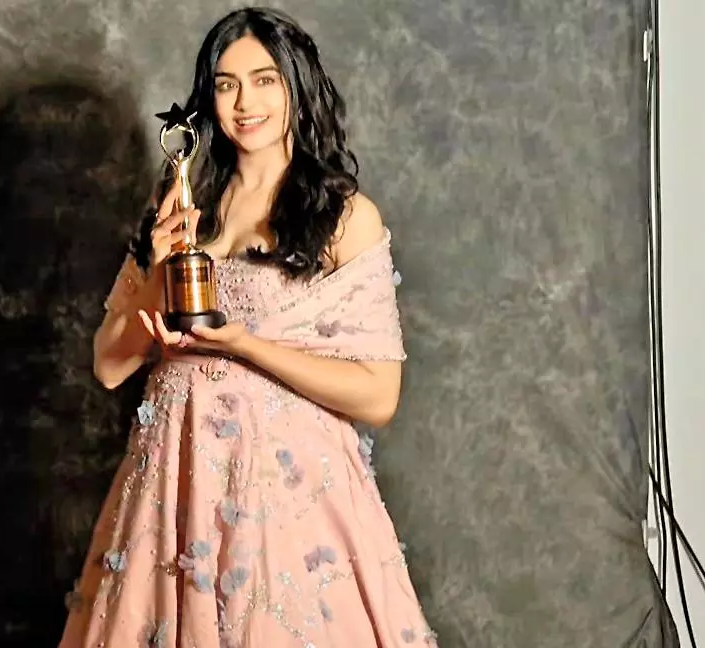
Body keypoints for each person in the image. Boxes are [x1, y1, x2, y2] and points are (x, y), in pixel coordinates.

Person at [58, 7, 438, 647]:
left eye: (264, 80)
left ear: (297, 86)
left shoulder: (343, 218)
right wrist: (157, 268)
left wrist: (245, 345)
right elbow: (110, 365)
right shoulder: (181, 200)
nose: (244, 103)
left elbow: (379, 397)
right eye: (227, 84)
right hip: (176, 485)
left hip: (288, 502)